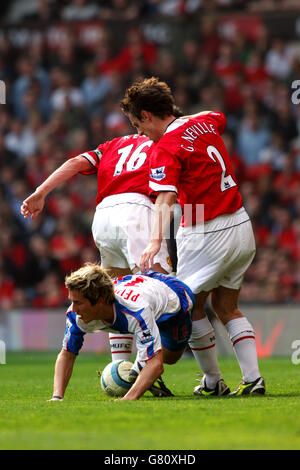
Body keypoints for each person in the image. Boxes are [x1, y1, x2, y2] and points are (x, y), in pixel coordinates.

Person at [120, 77, 266, 397]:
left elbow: (165, 199)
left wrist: (155, 242)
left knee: (188, 307)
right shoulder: (207, 119)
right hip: (241, 225)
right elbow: (220, 119)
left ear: (147, 114)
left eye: (137, 124)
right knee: (228, 307)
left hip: (206, 229)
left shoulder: (165, 149)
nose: (138, 133)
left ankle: (213, 382)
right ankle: (253, 378)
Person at [20, 132, 172, 365]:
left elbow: (74, 163)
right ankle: (146, 368)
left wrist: (41, 191)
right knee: (161, 290)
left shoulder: (113, 145)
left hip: (103, 215)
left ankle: (120, 368)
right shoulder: (164, 138)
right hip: (137, 208)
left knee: (114, 293)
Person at [48, 263, 194, 401]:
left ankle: (213, 380)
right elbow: (67, 354)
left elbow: (157, 364)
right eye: (72, 301)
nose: (73, 309)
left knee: (170, 358)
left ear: (99, 301)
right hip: (137, 289)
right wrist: (57, 397)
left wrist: (128, 398)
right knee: (150, 359)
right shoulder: (75, 315)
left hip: (173, 297)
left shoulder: (136, 311)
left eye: (78, 303)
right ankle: (142, 370)